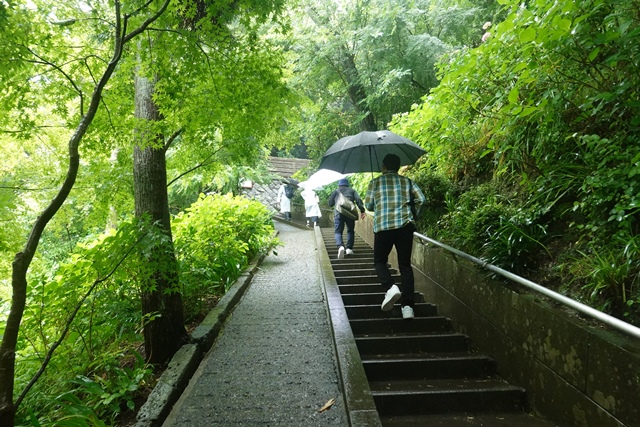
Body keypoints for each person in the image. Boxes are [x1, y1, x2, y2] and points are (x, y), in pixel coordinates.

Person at [364, 154, 426, 320]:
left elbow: (368, 205)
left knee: (379, 262)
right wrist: (413, 216)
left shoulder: (375, 182)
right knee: (405, 265)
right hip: (404, 227)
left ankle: (391, 287)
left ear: (384, 166)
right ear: (398, 167)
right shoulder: (407, 182)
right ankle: (408, 308)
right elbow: (421, 199)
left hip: (383, 227)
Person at [328, 178, 366, 259]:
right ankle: (349, 248)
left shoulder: (336, 191)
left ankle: (340, 246)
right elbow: (358, 199)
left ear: (339, 185)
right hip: (350, 213)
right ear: (347, 184)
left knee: (338, 231)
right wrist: (362, 210)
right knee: (350, 231)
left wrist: (335, 201)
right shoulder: (352, 191)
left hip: (338, 213)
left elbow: (330, 203)